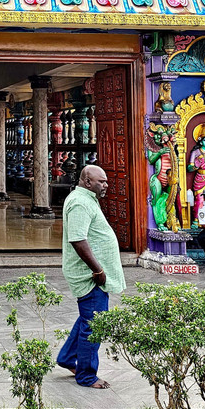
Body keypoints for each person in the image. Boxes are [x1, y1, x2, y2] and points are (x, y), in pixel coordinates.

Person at [58, 165, 126, 389]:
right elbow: (78, 239)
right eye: (101, 181)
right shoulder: (80, 202)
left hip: (94, 274)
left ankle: (68, 358)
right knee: (94, 324)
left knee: (88, 317)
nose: (106, 185)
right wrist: (97, 270)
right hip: (90, 276)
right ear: (87, 181)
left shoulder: (87, 199)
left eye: (106, 181)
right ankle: (87, 376)